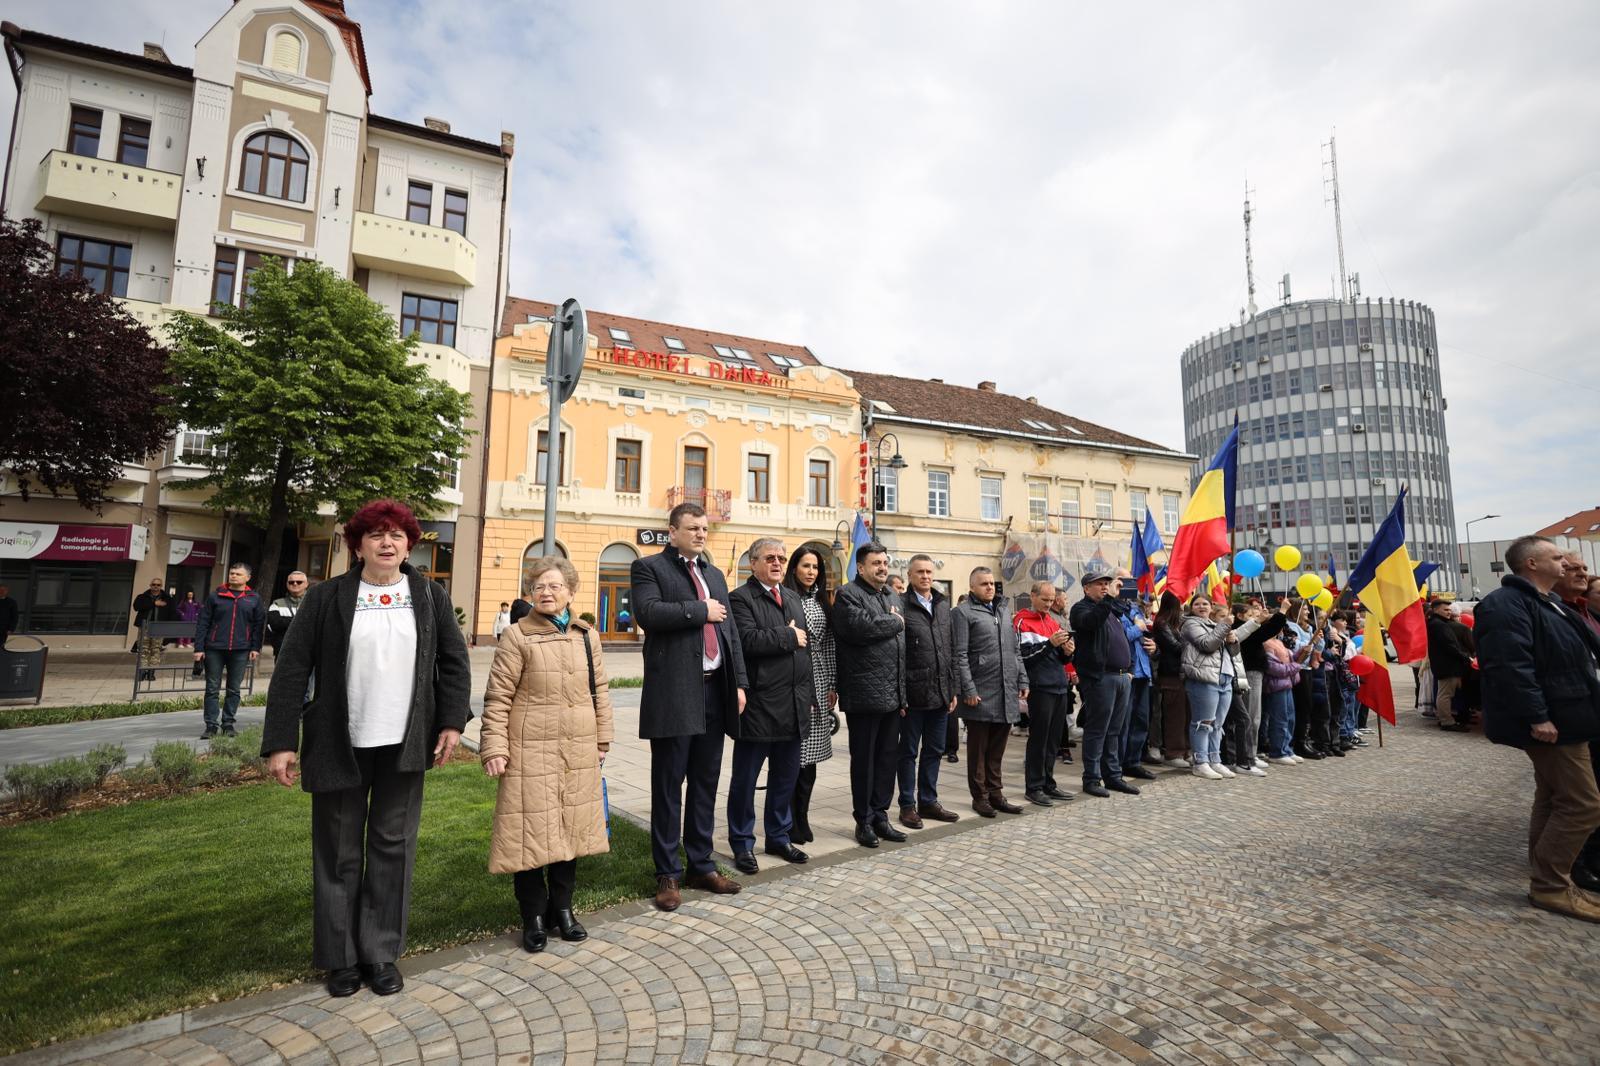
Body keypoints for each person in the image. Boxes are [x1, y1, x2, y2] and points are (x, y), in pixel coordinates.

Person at [260, 499, 471, 997]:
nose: (387, 542)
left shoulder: (429, 596)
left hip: (405, 742)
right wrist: (281, 742)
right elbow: (292, 670)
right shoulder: (326, 598)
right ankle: (340, 959)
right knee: (338, 852)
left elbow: (454, 662)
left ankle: (379, 954)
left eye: (397, 535)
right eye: (376, 534)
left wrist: (451, 723)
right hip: (339, 741)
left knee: (392, 848)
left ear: (408, 545)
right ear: (357, 545)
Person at [480, 555, 612, 953]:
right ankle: (533, 916)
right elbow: (498, 696)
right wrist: (494, 747)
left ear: (571, 592)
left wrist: (602, 738)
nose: (547, 592)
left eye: (556, 586)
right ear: (530, 593)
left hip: (577, 747)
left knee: (570, 830)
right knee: (529, 835)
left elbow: (600, 690)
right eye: (540, 586)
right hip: (529, 749)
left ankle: (564, 910)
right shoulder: (517, 636)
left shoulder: (587, 635)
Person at [1476, 535, 1600, 923]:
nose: (1566, 564)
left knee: (1552, 797)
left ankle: (1551, 877)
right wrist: (1537, 715)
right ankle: (1550, 885)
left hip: (1571, 713)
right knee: (1584, 803)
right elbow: (1511, 666)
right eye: (1557, 557)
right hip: (1554, 720)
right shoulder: (1504, 605)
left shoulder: (1550, 604)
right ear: (1531, 564)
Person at [631, 502, 748, 911]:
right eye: (693, 528)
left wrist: (740, 683)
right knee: (668, 786)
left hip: (716, 691)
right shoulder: (650, 569)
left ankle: (701, 863)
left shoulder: (714, 573)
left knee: (704, 782)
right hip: (675, 693)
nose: (701, 533)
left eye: (704, 528)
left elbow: (730, 631)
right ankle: (667, 873)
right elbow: (648, 614)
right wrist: (700, 611)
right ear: (673, 531)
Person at [726, 537, 812, 874]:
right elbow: (746, 641)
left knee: (785, 778)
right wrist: (786, 636)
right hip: (759, 705)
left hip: (793, 704)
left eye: (781, 558)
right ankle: (742, 843)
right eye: (770, 558)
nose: (777, 563)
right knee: (745, 780)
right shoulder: (740, 599)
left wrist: (809, 698)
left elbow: (804, 649)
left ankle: (778, 836)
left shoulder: (791, 597)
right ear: (753, 563)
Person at [833, 541, 908, 848]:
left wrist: (903, 693)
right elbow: (859, 629)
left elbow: (899, 643)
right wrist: (893, 621)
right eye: (875, 563)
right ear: (860, 567)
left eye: (884, 562)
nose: (882, 568)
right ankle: (863, 820)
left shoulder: (892, 594)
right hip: (864, 693)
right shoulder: (848, 594)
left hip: (892, 693)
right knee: (864, 761)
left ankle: (881, 815)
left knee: (888, 759)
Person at [951, 566, 1028, 816]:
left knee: (997, 749)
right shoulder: (962, 613)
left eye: (992, 583)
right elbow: (960, 654)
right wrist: (968, 689)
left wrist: (1023, 680)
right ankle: (980, 797)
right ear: (972, 587)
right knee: (978, 750)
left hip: (1006, 689)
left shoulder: (1004, 610)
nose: (989, 587)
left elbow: (1016, 651)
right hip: (980, 692)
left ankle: (996, 793)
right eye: (983, 584)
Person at [898, 554, 960, 827]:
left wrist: (952, 688)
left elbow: (952, 649)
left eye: (928, 572)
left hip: (941, 692)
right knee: (909, 752)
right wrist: (900, 694)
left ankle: (928, 801)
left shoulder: (943, 604)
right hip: (913, 694)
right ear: (910, 575)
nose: (925, 576)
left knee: (934, 749)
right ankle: (907, 805)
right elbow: (897, 655)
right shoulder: (900, 604)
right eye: (920, 572)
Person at [1070, 565, 1139, 798]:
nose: (1105, 587)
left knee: (1114, 731)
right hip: (1101, 678)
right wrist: (1108, 599)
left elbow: (1124, 624)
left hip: (1121, 677)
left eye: (1106, 583)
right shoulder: (1081, 608)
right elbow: (1091, 623)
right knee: (1097, 730)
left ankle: (1113, 776)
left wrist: (1129, 670)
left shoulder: (1110, 609)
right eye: (1100, 584)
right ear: (1086, 588)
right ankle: (1091, 778)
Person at [784, 545, 836, 845]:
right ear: (795, 568)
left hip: (818, 680)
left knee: (811, 759)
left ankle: (802, 816)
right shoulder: (788, 598)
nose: (811, 572)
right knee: (794, 756)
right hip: (794, 678)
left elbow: (829, 644)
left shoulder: (821, 601)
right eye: (806, 566)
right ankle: (787, 819)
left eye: (815, 567)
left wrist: (831, 684)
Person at [1179, 594, 1255, 779]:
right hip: (1203, 679)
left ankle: (1215, 760)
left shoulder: (1215, 625)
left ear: (1211, 606)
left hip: (1224, 678)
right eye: (1197, 604)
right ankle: (1200, 762)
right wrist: (1223, 627)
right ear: (1192, 607)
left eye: (1205, 603)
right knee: (1202, 723)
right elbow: (1207, 645)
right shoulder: (1191, 624)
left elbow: (1234, 652)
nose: (1202, 607)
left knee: (1217, 725)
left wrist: (1232, 640)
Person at [1014, 580, 1075, 806]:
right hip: (1039, 688)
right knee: (1039, 740)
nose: (1049, 604)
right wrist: (1050, 644)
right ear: (1033, 596)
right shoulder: (1021, 621)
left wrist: (1068, 652)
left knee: (1053, 741)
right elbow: (1024, 658)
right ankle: (1034, 786)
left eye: (1052, 600)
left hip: (1059, 685)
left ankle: (1049, 783)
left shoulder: (1051, 621)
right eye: (1045, 599)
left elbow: (1059, 659)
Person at [193, 563, 267, 739]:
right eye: (232, 573)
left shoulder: (254, 599)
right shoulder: (215, 596)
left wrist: (255, 647)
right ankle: (211, 726)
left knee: (233, 689)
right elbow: (203, 623)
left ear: (247, 578)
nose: (233, 576)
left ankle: (228, 724)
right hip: (214, 649)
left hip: (241, 650)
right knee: (212, 688)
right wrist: (199, 648)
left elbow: (258, 626)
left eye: (238, 574)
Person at [1118, 585, 1158, 781]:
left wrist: (1153, 646)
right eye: (1122, 582)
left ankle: (1133, 762)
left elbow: (1143, 637)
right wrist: (1138, 628)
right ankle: (1117, 765)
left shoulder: (1134, 609)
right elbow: (1119, 638)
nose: (1127, 585)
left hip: (1143, 672)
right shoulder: (1112, 609)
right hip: (1127, 673)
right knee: (1123, 723)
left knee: (1141, 720)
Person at [1151, 593, 1190, 767]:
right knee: (1175, 715)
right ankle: (1174, 753)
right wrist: (1193, 643)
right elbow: (1175, 647)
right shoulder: (1162, 623)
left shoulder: (1175, 624)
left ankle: (1185, 750)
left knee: (1185, 715)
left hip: (1181, 673)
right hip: (1170, 674)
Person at [1426, 598, 1473, 732]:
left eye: (1449, 610)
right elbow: (1450, 646)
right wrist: (1466, 657)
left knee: (1445, 693)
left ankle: (1445, 719)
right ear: (1436, 610)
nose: (1448, 612)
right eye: (1445, 609)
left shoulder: (1438, 623)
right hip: (1447, 666)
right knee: (1445, 694)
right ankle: (1447, 721)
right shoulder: (1438, 625)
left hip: (1447, 665)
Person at [1262, 637, 1303, 766]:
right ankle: (1277, 751)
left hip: (1287, 684)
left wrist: (1302, 651)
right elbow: (1274, 668)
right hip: (1275, 686)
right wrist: (1296, 666)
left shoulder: (1279, 642)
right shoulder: (1266, 643)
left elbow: (1290, 660)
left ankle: (1287, 748)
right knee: (1279, 719)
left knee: (1290, 718)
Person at [131, 578, 171, 682]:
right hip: (145, 627)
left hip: (159, 628)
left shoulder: (167, 598)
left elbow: (172, 612)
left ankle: (151, 672)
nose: (156, 586)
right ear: (150, 585)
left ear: (161, 586)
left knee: (156, 649)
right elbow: (136, 607)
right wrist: (154, 604)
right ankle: (142, 671)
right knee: (143, 649)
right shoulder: (142, 596)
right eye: (153, 584)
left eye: (158, 585)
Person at [266, 571, 310, 656]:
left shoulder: (314, 603)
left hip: (308, 652)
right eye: (291, 582)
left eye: (299, 582)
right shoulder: (277, 604)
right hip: (283, 651)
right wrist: (302, 620)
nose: (295, 584)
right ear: (287, 584)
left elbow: (315, 624)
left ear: (306, 584)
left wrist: (285, 622)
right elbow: (275, 624)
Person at [0, 584, 16, 648]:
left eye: (4, 590)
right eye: (0, 590)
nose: (2, 592)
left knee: (1, 646)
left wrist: (11, 629)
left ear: (7, 591)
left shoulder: (11, 602)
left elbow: (14, 616)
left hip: (3, 629)